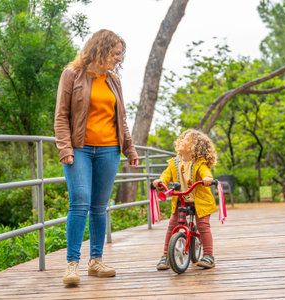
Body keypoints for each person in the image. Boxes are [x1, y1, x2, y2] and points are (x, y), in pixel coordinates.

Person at [54, 29, 139, 286]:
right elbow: (61, 116)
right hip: (79, 149)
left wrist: (130, 149)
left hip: (109, 150)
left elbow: (121, 119)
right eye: (115, 54)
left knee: (100, 207)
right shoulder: (72, 75)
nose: (118, 59)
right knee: (80, 201)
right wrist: (65, 148)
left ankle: (96, 261)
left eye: (120, 55)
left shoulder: (114, 81)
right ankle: (72, 264)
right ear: (100, 49)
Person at [152, 129, 217, 270]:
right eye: (181, 138)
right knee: (172, 225)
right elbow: (166, 175)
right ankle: (166, 256)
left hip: (201, 201)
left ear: (196, 146)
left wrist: (207, 179)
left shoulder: (200, 163)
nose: (182, 140)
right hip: (181, 200)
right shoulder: (174, 163)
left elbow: (206, 173)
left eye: (186, 139)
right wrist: (160, 182)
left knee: (203, 226)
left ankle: (208, 255)